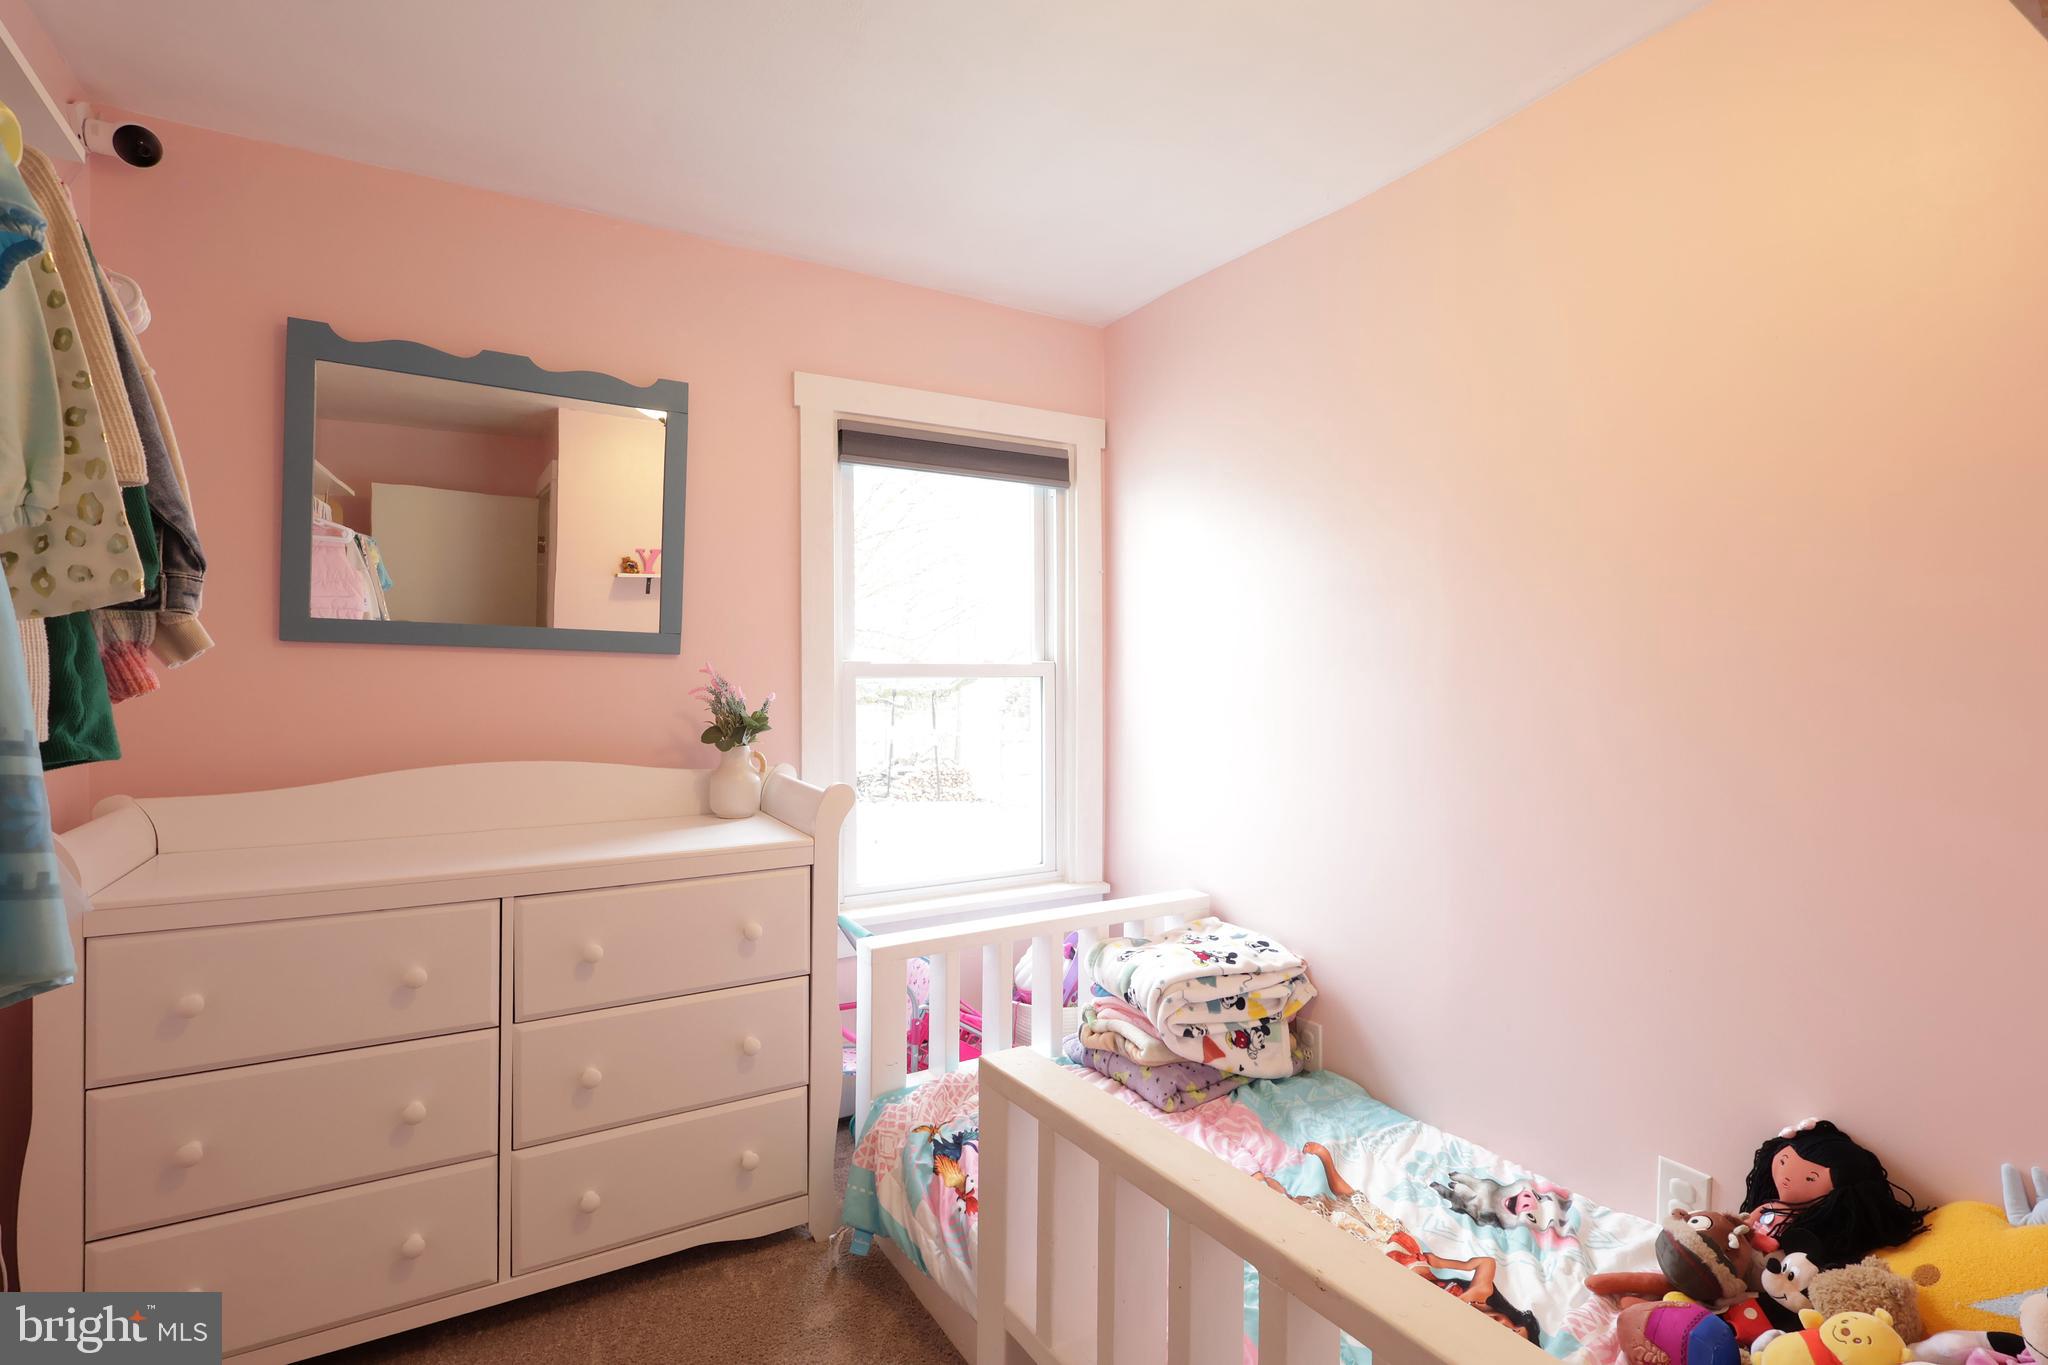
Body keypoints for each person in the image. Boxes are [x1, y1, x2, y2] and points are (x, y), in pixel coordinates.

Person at [1258, 1141, 1543, 1344]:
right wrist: (1444, 1263)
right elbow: (1487, 1262)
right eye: (1514, 1329)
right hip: (1408, 1256)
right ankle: (1327, 1162)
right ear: (1513, 1319)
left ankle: (1279, 1193)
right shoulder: (1480, 1293)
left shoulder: (1465, 1335)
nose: (1505, 1329)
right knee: (1358, 1204)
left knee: (1319, 1219)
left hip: (1384, 1270)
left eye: (1509, 1337)